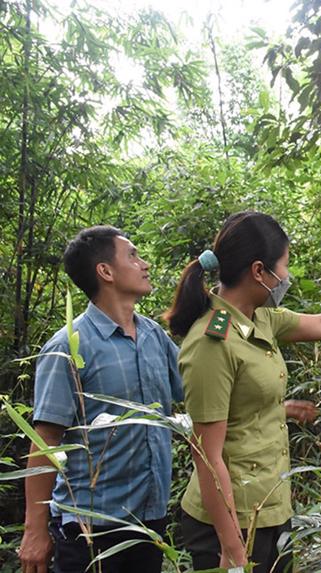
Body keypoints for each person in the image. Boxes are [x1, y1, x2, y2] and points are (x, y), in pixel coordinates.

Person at [164, 211, 321, 573]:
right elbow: (207, 455)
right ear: (258, 271)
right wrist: (232, 547)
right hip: (231, 520)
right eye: (282, 267)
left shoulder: (259, 318)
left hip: (268, 506)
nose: (285, 277)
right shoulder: (212, 342)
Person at [18, 226, 184, 573]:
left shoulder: (154, 336)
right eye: (133, 255)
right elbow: (44, 442)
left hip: (149, 522)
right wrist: (34, 531)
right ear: (105, 271)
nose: (145, 263)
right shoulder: (68, 347)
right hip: (90, 529)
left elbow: (197, 393)